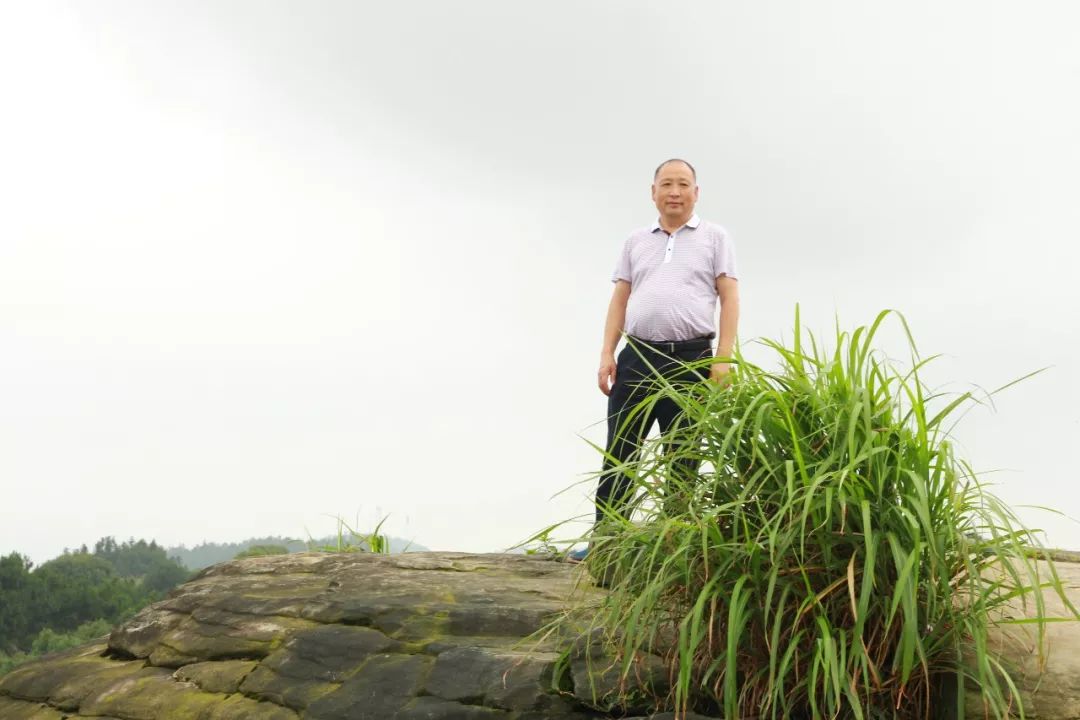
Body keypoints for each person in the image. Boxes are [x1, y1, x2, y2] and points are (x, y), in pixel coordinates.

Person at [570, 159, 740, 562]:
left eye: (683, 184)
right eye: (667, 184)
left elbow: (730, 297)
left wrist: (723, 359)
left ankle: (673, 551)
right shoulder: (636, 241)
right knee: (621, 451)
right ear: (653, 192)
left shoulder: (715, 238)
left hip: (691, 359)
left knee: (683, 455)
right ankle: (606, 545)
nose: (675, 192)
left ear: (696, 193)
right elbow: (620, 298)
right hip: (638, 357)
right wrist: (606, 353)